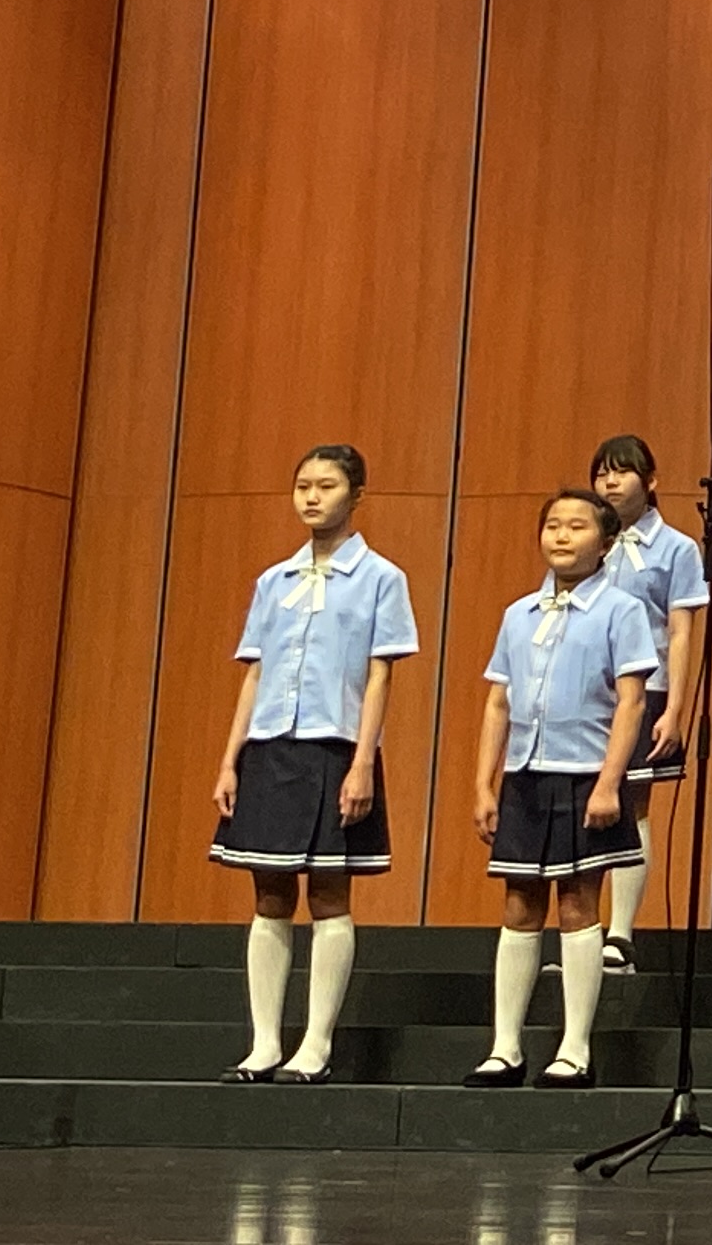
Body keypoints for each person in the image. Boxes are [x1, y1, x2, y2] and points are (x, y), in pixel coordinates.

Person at [208, 445, 415, 1084]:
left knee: (328, 892)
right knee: (269, 893)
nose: (312, 497)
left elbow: (380, 676)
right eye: (303, 485)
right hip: (270, 747)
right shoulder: (275, 580)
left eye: (327, 485)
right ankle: (264, 1043)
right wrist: (230, 760)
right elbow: (255, 674)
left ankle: (316, 1045)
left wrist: (362, 762)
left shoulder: (382, 577)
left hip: (334, 748)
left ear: (357, 495)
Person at [464, 491, 658, 1090]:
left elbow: (632, 702)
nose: (562, 536)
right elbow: (498, 702)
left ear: (606, 541)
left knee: (577, 904)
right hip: (525, 775)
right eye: (552, 525)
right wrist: (484, 783)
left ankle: (574, 1048)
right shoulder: (519, 613)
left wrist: (609, 783)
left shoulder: (621, 610)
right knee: (520, 904)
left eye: (577, 526)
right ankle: (505, 1047)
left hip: (586, 776)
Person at [588, 434, 706, 975]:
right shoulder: (587, 538)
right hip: (589, 692)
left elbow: (679, 633)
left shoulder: (676, 548)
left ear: (651, 481)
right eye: (602, 473)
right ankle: (583, 931)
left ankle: (620, 934)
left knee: (631, 802)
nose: (609, 482)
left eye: (621, 472)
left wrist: (675, 708)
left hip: (646, 688)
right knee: (585, 800)